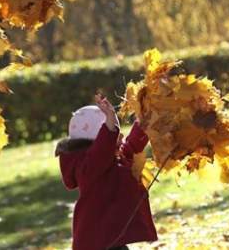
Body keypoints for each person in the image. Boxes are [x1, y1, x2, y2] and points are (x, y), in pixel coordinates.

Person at [55, 95, 158, 250]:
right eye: (115, 131)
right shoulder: (89, 168)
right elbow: (100, 152)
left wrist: (144, 122)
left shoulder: (109, 158)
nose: (120, 135)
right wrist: (109, 122)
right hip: (96, 241)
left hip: (111, 238)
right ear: (99, 139)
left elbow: (130, 147)